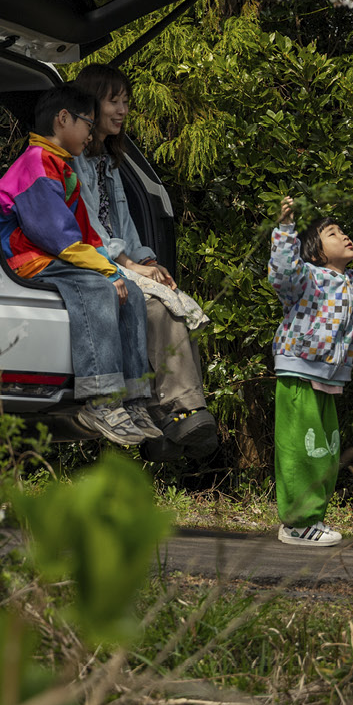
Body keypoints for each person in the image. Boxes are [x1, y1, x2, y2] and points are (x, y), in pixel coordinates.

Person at [69, 63, 222, 462]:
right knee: (155, 307)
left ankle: (170, 418)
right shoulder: (72, 160)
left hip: (118, 258)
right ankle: (179, 409)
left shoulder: (109, 161)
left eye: (125, 102)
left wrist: (147, 259)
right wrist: (127, 265)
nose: (121, 110)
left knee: (177, 301)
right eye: (112, 101)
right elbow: (86, 225)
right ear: (89, 104)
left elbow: (127, 225)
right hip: (91, 261)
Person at [0, 84, 161, 450]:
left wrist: (116, 270)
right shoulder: (35, 163)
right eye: (87, 123)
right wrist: (105, 272)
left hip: (55, 257)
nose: (90, 132)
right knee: (99, 288)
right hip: (30, 260)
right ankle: (101, 400)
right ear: (63, 119)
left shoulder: (60, 164)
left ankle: (133, 399)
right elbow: (57, 237)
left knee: (129, 291)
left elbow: (87, 234)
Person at [267, 196, 353, 546]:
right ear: (315, 251)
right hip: (299, 373)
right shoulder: (307, 277)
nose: (344, 236)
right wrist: (286, 230)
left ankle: (310, 518)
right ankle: (297, 524)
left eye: (343, 231)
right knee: (300, 452)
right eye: (333, 233)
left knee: (325, 452)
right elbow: (282, 270)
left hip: (328, 380)